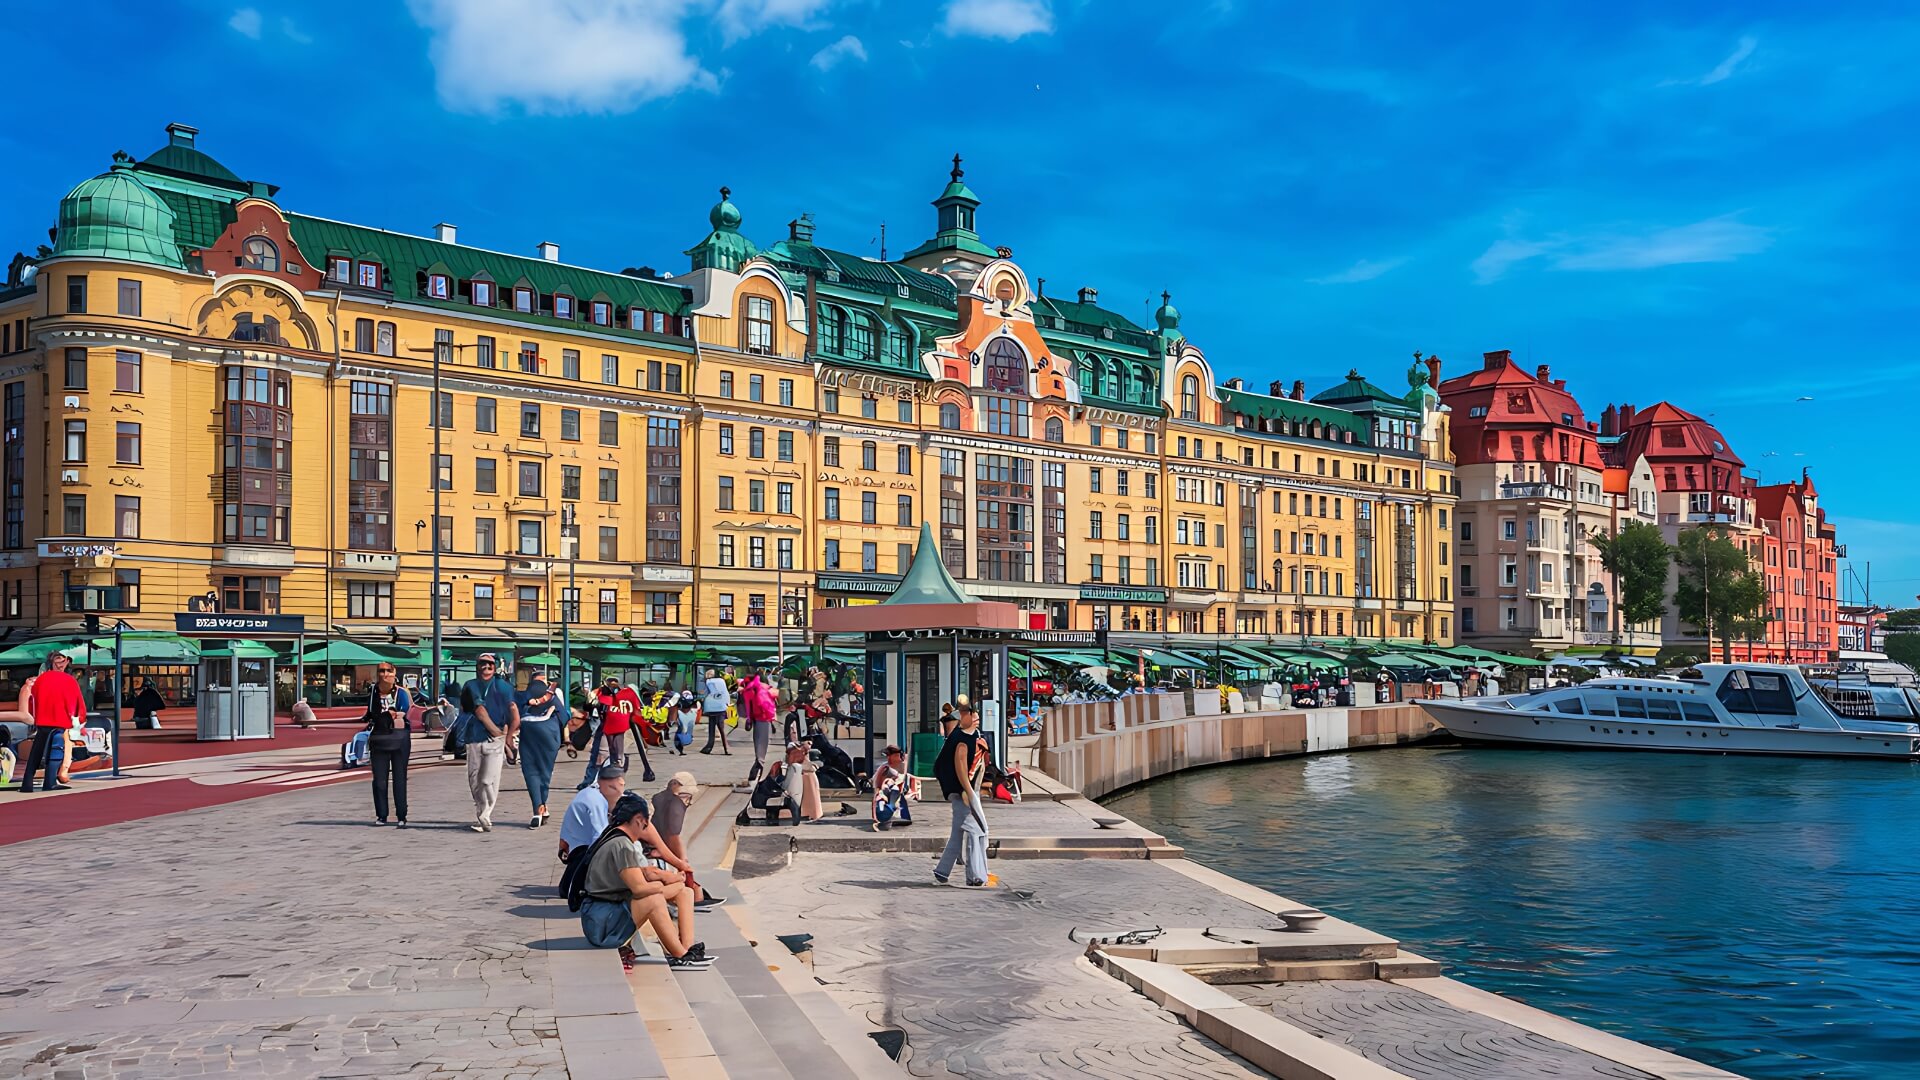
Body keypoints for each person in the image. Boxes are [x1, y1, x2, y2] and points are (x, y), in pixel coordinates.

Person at [576, 793, 712, 971]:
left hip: (603, 917)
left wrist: (669, 882)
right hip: (602, 925)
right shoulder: (623, 846)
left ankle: (686, 949)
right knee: (654, 900)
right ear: (639, 820)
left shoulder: (616, 839)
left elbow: (643, 874)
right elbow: (639, 889)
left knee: (684, 892)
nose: (648, 829)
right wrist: (663, 885)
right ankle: (680, 955)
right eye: (647, 823)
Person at [456, 653, 516, 833]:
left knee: (488, 779)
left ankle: (486, 814)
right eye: (482, 663)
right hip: (474, 737)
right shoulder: (470, 686)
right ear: (477, 666)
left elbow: (511, 711)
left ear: (495, 667)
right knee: (475, 779)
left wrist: (506, 735)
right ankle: (482, 811)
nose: (486, 667)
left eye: (490, 664)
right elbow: (478, 711)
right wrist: (503, 736)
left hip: (493, 739)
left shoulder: (504, 687)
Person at [932, 701, 989, 887]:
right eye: (974, 716)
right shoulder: (962, 741)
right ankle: (975, 875)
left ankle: (942, 870)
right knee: (976, 830)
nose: (977, 720)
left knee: (958, 833)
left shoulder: (969, 736)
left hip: (964, 791)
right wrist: (968, 792)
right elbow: (961, 769)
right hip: (963, 792)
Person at [653, 771, 726, 908]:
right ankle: (692, 897)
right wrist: (682, 860)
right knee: (682, 871)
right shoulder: (676, 805)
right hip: (657, 849)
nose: (689, 800)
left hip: (654, 846)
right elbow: (673, 835)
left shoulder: (659, 798)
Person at [18, 652, 85, 793]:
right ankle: (50, 782)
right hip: (59, 720)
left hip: (42, 720)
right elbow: (78, 702)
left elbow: (32, 700)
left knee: (37, 751)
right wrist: (80, 719)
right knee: (56, 749)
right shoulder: (69, 680)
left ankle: (27, 783)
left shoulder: (41, 680)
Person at [557, 763, 624, 898]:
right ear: (610, 785)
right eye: (620, 786)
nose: (622, 791)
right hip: (581, 850)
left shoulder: (592, 792)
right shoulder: (596, 801)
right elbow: (599, 837)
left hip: (575, 845)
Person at [365, 661, 414, 826]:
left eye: (388, 671)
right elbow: (372, 713)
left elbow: (402, 713)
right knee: (379, 780)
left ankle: (401, 815)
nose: (384, 674)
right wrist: (387, 715)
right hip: (379, 739)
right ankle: (381, 815)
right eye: (381, 671)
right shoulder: (373, 691)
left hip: (399, 739)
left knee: (399, 778)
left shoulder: (402, 692)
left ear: (394, 673)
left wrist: (385, 716)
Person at [516, 668, 563, 829]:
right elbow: (564, 716)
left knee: (531, 773)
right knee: (544, 773)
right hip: (548, 735)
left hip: (527, 733)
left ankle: (538, 809)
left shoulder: (522, 695)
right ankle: (542, 805)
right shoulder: (552, 695)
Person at [739, 669, 777, 781]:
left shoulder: (750, 689)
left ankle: (758, 763)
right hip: (765, 718)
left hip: (756, 718)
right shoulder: (767, 689)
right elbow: (772, 704)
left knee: (758, 741)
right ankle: (759, 764)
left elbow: (748, 706)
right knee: (763, 742)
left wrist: (749, 719)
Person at [870, 745, 918, 831]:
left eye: (889, 755)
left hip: (896, 793)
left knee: (895, 791)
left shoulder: (902, 765)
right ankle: (883, 817)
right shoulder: (885, 767)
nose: (888, 757)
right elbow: (876, 784)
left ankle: (892, 815)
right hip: (884, 793)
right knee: (887, 794)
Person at [699, 668, 731, 755]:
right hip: (721, 707)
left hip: (711, 707)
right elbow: (725, 693)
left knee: (711, 729)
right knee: (721, 729)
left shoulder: (709, 682)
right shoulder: (722, 681)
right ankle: (726, 748)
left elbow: (705, 693)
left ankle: (708, 747)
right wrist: (727, 703)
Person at [671, 691, 699, 755]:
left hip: (686, 736)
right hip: (682, 735)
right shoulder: (679, 712)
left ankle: (679, 749)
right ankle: (678, 749)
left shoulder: (693, 712)